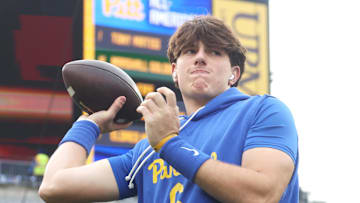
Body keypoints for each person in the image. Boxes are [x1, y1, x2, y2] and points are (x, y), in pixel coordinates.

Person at [39, 16, 299, 203]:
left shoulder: (263, 111)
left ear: (234, 74)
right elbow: (54, 186)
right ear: (174, 72)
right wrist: (89, 124)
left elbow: (261, 195)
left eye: (215, 52)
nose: (200, 57)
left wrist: (168, 144)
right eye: (189, 51)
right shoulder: (146, 150)